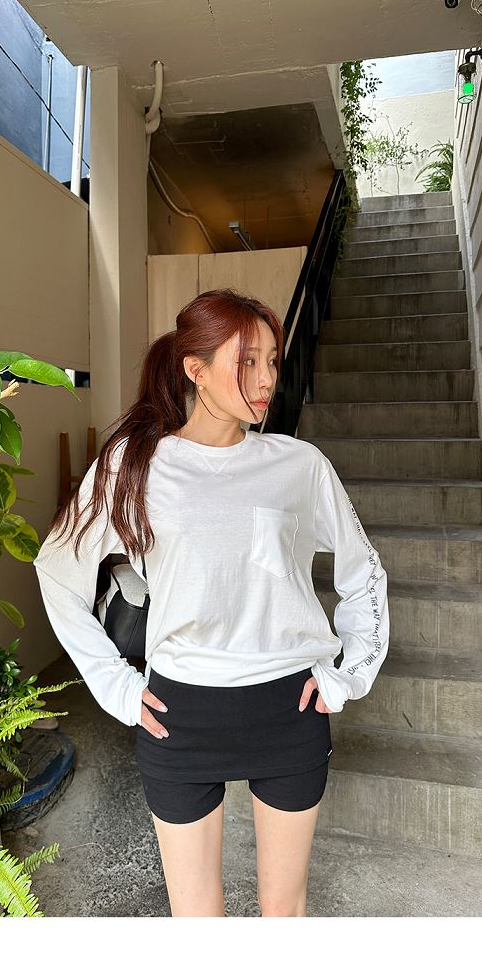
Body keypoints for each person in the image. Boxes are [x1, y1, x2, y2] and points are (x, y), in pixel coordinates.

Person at [35, 287, 389, 921]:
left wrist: (350, 674)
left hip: (289, 707)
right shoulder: (136, 465)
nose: (267, 379)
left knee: (284, 912)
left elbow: (364, 573)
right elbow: (58, 570)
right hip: (179, 714)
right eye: (246, 361)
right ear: (194, 369)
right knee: (196, 917)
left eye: (272, 361)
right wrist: (116, 687)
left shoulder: (300, 465)